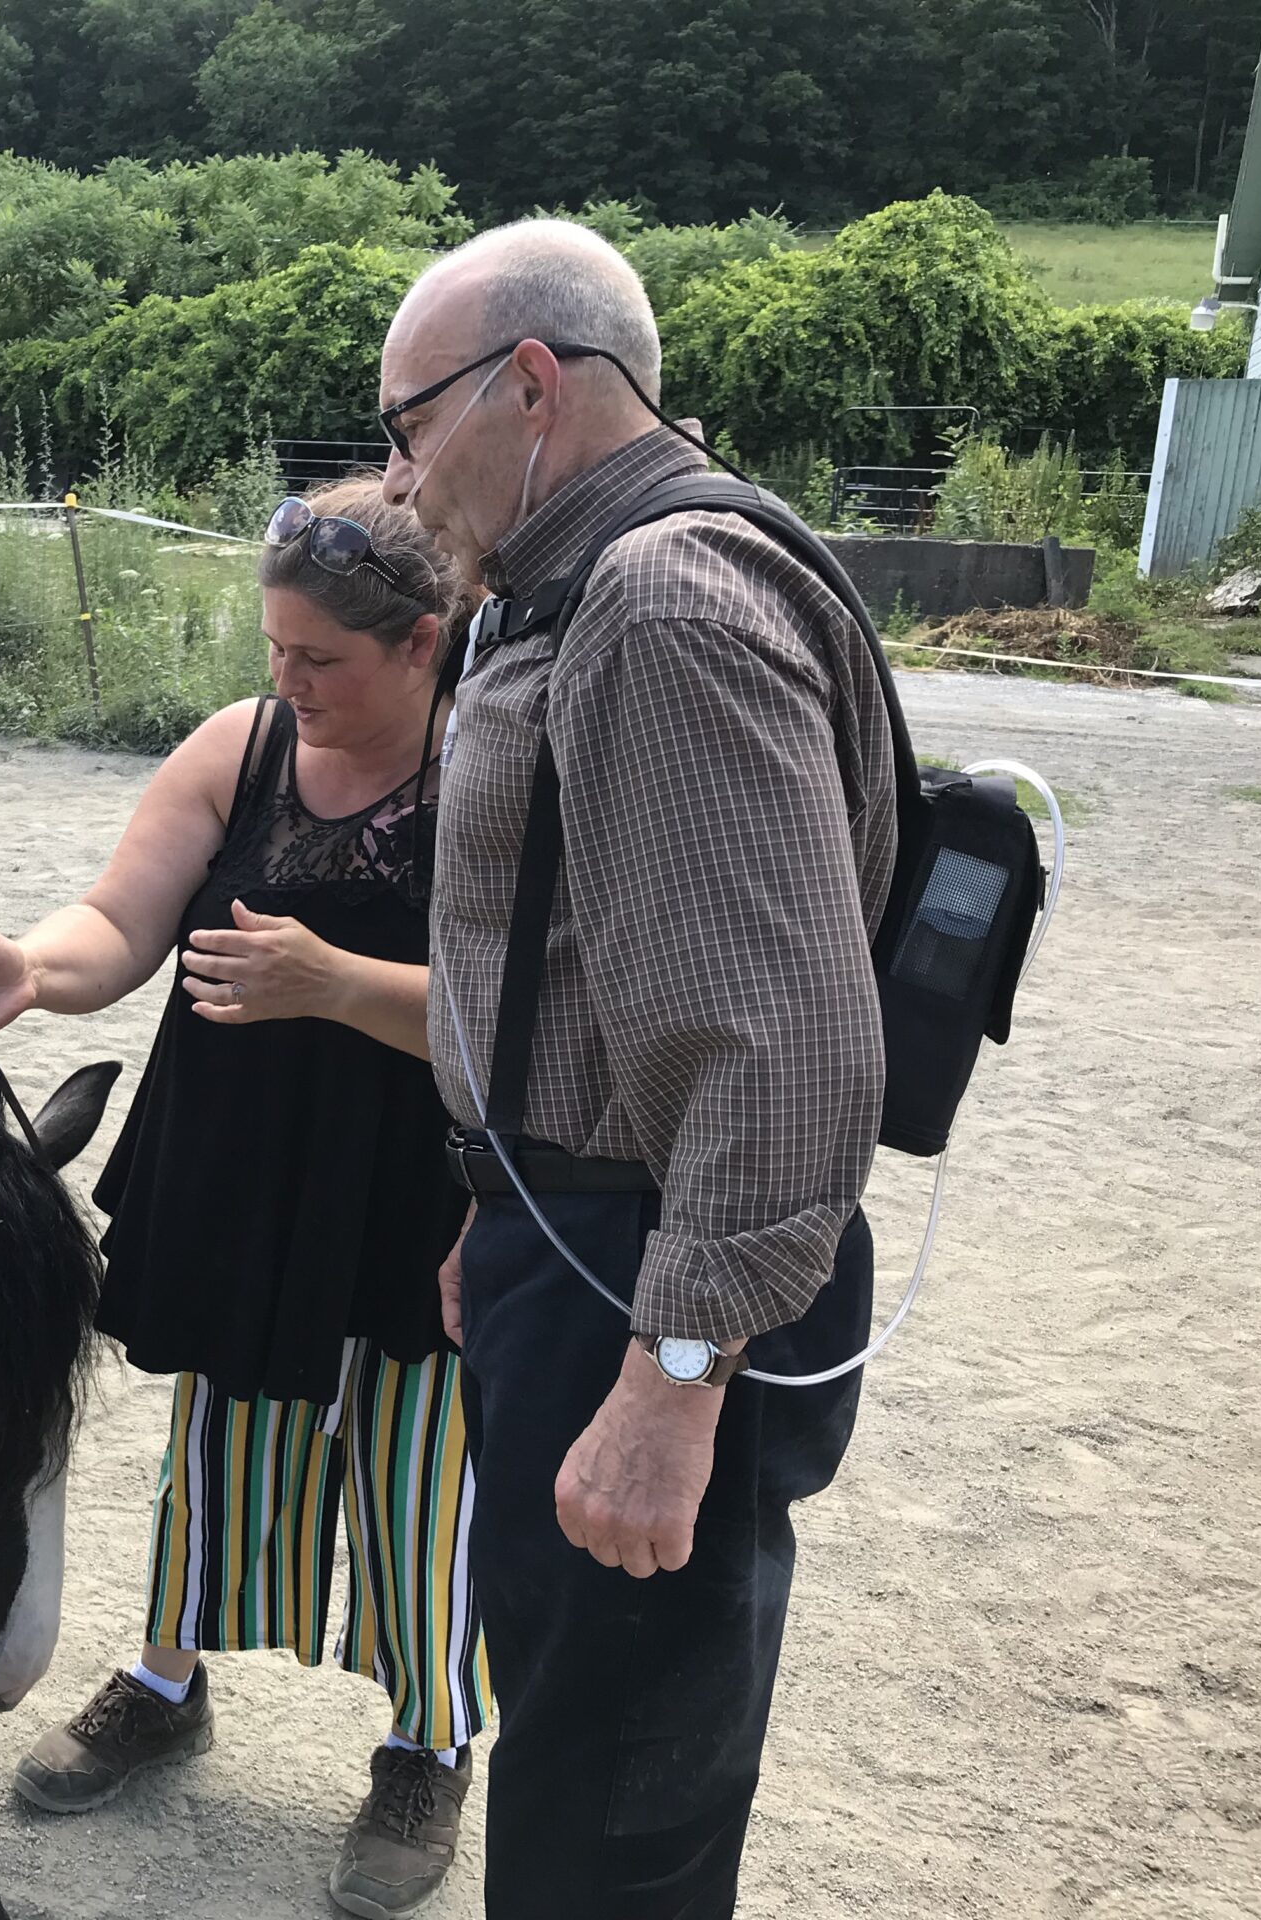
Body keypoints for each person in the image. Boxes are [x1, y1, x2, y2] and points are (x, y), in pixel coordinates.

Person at [379, 220, 898, 1914]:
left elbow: (776, 1038)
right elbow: (590, 975)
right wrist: (503, 1191)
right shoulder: (586, 587)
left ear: (532, 386)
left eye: (406, 427)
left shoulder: (664, 602)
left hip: (651, 1281)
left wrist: (671, 1382)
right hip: (589, 1234)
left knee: (615, 1797)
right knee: (582, 1729)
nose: (396, 484)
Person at [0, 479, 485, 1918]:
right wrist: (29, 974)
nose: (288, 684)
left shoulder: (498, 758)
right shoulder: (242, 747)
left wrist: (337, 985)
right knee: (224, 1428)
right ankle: (169, 1677)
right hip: (242, 1160)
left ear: (424, 642)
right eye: (276, 650)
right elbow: (121, 922)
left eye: (325, 662)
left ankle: (429, 1741)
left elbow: (537, 1016)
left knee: (423, 1466)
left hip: (421, 1175)